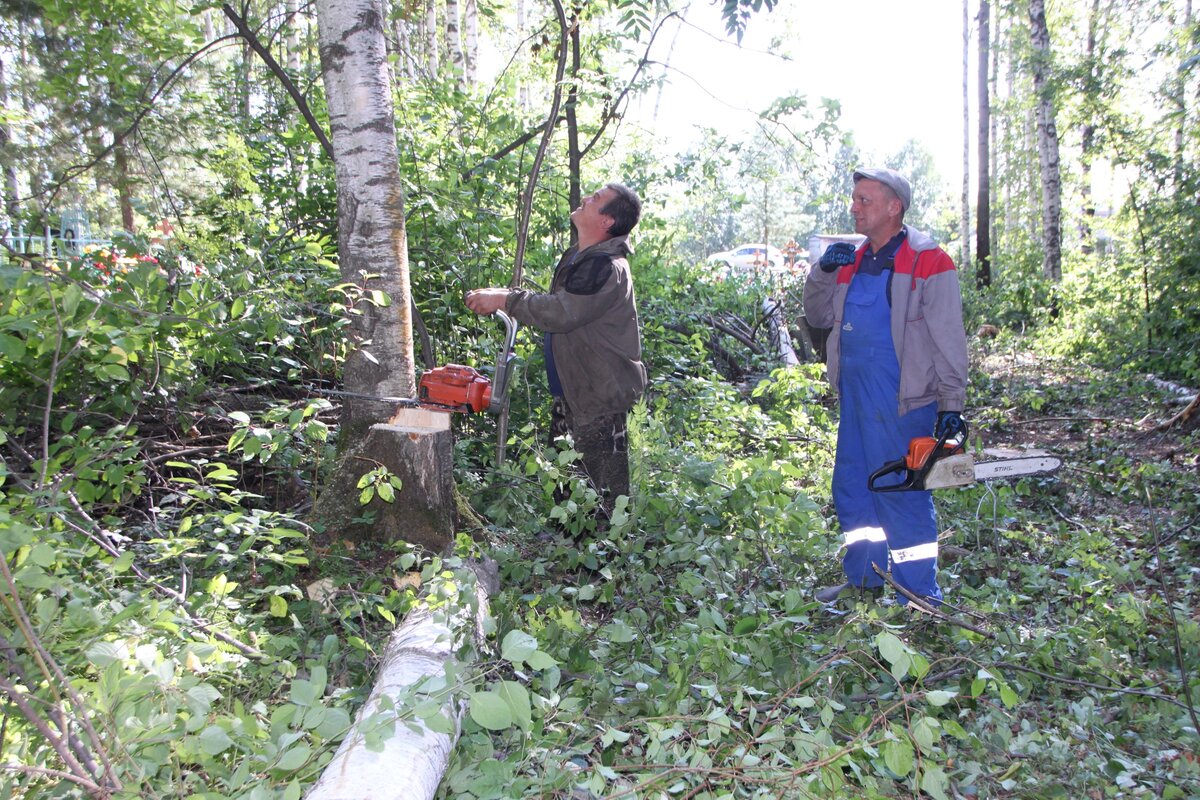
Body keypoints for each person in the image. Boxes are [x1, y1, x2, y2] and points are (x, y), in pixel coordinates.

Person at [803, 167, 969, 606]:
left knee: (900, 494)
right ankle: (865, 580)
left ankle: (918, 598)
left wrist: (952, 404)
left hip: (903, 401)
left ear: (894, 207)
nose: (854, 208)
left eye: (864, 200)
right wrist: (821, 271)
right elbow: (818, 317)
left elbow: (949, 338)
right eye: (854, 199)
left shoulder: (930, 260)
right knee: (854, 488)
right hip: (856, 399)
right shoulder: (851, 261)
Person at [465, 183, 647, 522]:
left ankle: (606, 567)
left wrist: (505, 299)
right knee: (567, 482)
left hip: (598, 396)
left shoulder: (606, 267)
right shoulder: (581, 256)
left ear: (607, 221)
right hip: (575, 390)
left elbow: (562, 313)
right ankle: (565, 556)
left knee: (601, 496)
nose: (586, 198)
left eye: (596, 199)